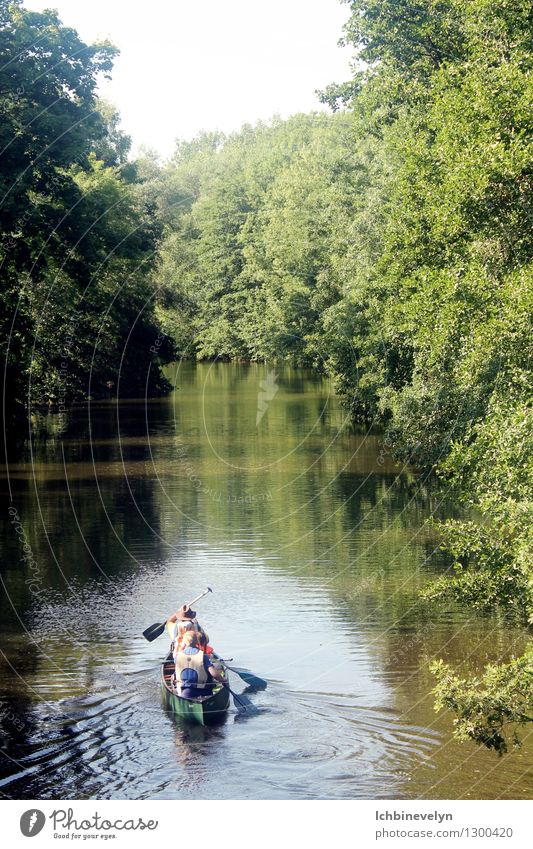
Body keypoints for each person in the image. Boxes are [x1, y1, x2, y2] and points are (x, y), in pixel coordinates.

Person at [173, 631, 226, 699]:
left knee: (173, 676)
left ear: (184, 642)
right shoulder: (203, 656)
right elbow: (214, 674)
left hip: (186, 692)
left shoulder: (178, 656)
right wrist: (223, 680)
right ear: (197, 641)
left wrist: (179, 647)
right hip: (204, 691)